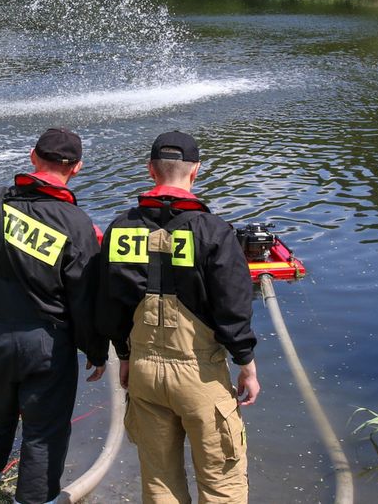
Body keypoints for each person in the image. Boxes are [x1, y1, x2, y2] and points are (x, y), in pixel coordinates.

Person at [98, 130, 259, 504]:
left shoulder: (121, 229)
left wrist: (124, 355)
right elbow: (233, 308)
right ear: (196, 171)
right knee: (222, 482)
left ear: (151, 170)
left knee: (159, 482)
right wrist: (246, 364)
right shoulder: (214, 232)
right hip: (199, 375)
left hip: (143, 372)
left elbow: (110, 303)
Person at [0, 127, 108, 504]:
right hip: (49, 344)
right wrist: (95, 349)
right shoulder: (76, 224)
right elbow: (85, 297)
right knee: (44, 432)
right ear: (76, 169)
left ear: (32, 157)